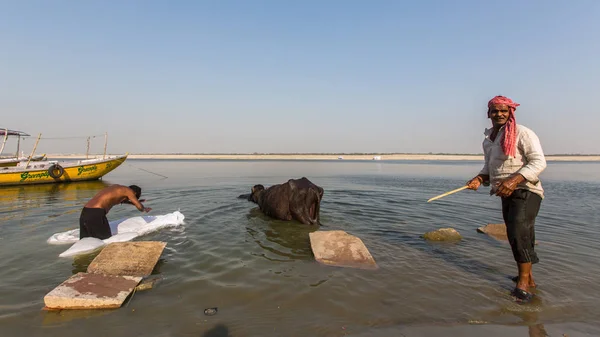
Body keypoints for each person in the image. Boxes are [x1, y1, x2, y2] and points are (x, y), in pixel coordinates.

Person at [466, 95, 547, 303]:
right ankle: (528, 278)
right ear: (488, 114)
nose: (499, 114)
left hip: (526, 189)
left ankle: (522, 283)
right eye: (495, 111)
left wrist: (513, 180)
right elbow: (490, 168)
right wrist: (478, 178)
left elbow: (539, 162)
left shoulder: (523, 133)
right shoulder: (489, 140)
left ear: (511, 112)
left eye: (504, 110)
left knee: (519, 230)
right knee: (516, 235)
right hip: (504, 192)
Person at [79, 184, 152, 240]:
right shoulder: (129, 191)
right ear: (135, 193)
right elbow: (139, 207)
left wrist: (133, 202)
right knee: (105, 241)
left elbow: (119, 200)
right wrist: (144, 209)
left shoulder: (116, 188)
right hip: (96, 214)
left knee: (85, 242)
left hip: (85, 212)